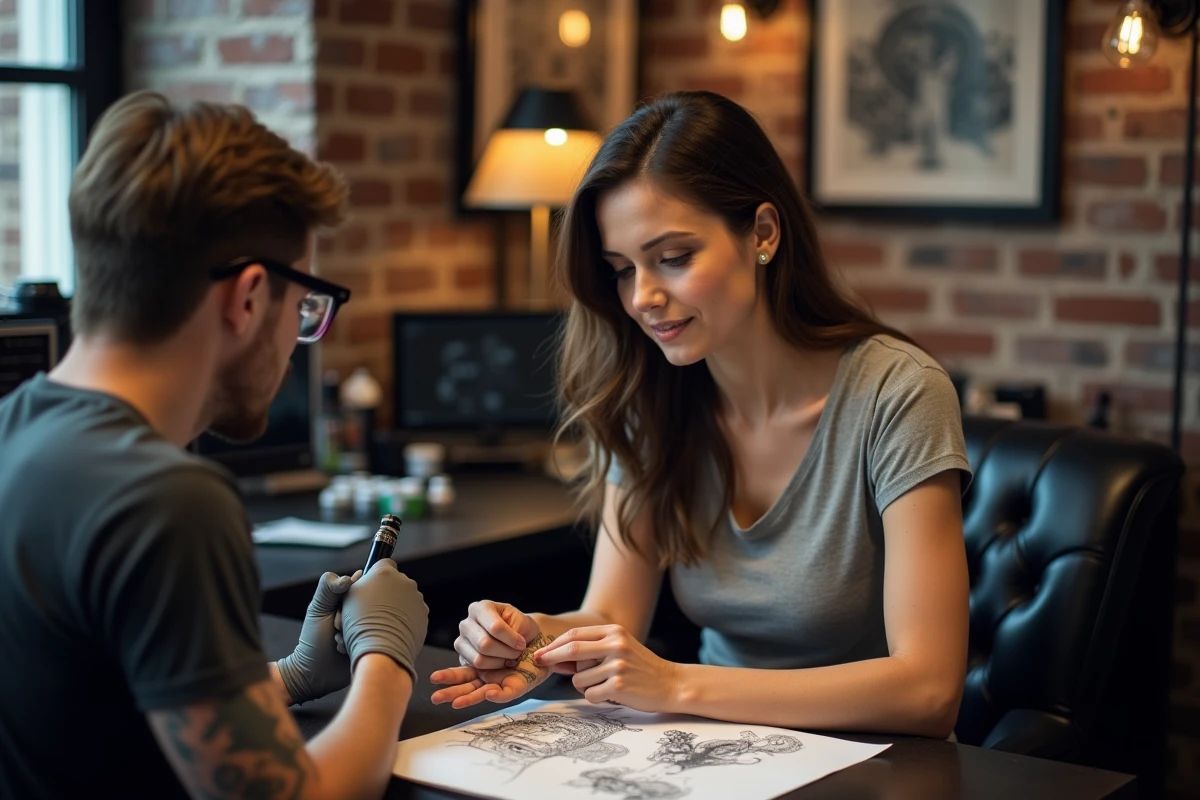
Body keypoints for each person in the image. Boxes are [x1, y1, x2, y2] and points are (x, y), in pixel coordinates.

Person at [430, 91, 971, 739]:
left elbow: (928, 689)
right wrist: (529, 637)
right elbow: (609, 612)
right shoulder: (649, 397)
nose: (643, 298)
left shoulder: (898, 392)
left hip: (874, 761)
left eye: (674, 257)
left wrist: (678, 683)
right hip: (715, 744)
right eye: (623, 270)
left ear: (763, 234)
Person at [0, 91, 427, 799]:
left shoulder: (17, 427)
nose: (297, 339)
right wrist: (386, 660)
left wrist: (289, 676)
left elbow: (98, 706)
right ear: (249, 297)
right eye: (304, 308)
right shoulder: (166, 500)